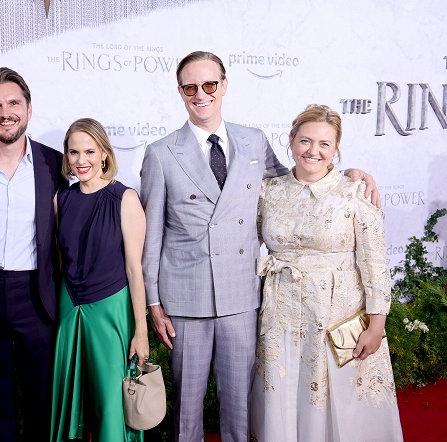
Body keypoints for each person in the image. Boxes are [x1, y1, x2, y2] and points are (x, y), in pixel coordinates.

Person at [139, 51, 379, 442]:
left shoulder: (253, 140)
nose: (201, 95)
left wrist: (347, 174)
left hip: (241, 295)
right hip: (184, 298)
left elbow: (295, 183)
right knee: (187, 406)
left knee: (240, 405)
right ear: (180, 92)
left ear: (224, 85)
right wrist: (153, 302)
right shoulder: (161, 152)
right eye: (191, 87)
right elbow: (153, 236)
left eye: (210, 84)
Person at [251, 104, 403, 441]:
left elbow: (375, 263)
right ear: (291, 141)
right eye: (305, 141)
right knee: (285, 389)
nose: (313, 151)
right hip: (281, 317)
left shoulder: (354, 193)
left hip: (338, 318)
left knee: (342, 404)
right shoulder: (268, 191)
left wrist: (376, 324)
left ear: (336, 149)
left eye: (324, 144)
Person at [0, 67, 66, 441]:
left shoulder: (57, 165)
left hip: (38, 294)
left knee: (42, 396)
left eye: (14, 103)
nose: (6, 113)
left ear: (29, 108)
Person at [50, 118, 149, 442]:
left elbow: (135, 270)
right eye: (74, 152)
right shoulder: (60, 200)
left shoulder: (125, 199)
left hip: (110, 311)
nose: (82, 160)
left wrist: (141, 331)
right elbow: (62, 260)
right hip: (70, 309)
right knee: (71, 400)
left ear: (105, 154)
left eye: (90, 151)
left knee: (112, 404)